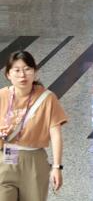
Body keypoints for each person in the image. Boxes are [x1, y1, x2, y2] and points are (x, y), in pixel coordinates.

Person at [0, 50, 68, 197]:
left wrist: (57, 167)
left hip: (34, 161)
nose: (22, 75)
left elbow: (56, 135)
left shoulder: (47, 98)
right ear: (8, 74)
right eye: (17, 70)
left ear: (35, 73)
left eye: (27, 69)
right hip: (5, 158)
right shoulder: (2, 96)